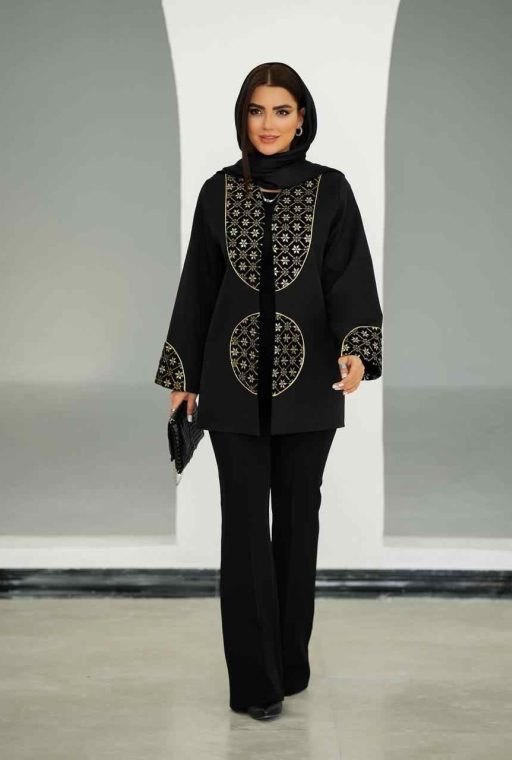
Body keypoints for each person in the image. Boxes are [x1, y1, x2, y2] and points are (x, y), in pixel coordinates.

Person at [154, 61, 383, 720]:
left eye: (281, 110)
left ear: (302, 118)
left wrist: (356, 351)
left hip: (310, 388)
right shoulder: (217, 192)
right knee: (245, 530)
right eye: (256, 110)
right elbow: (198, 288)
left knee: (298, 527)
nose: (268, 124)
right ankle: (257, 683)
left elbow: (349, 279)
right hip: (228, 390)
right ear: (243, 117)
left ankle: (290, 661)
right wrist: (181, 379)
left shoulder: (331, 191)